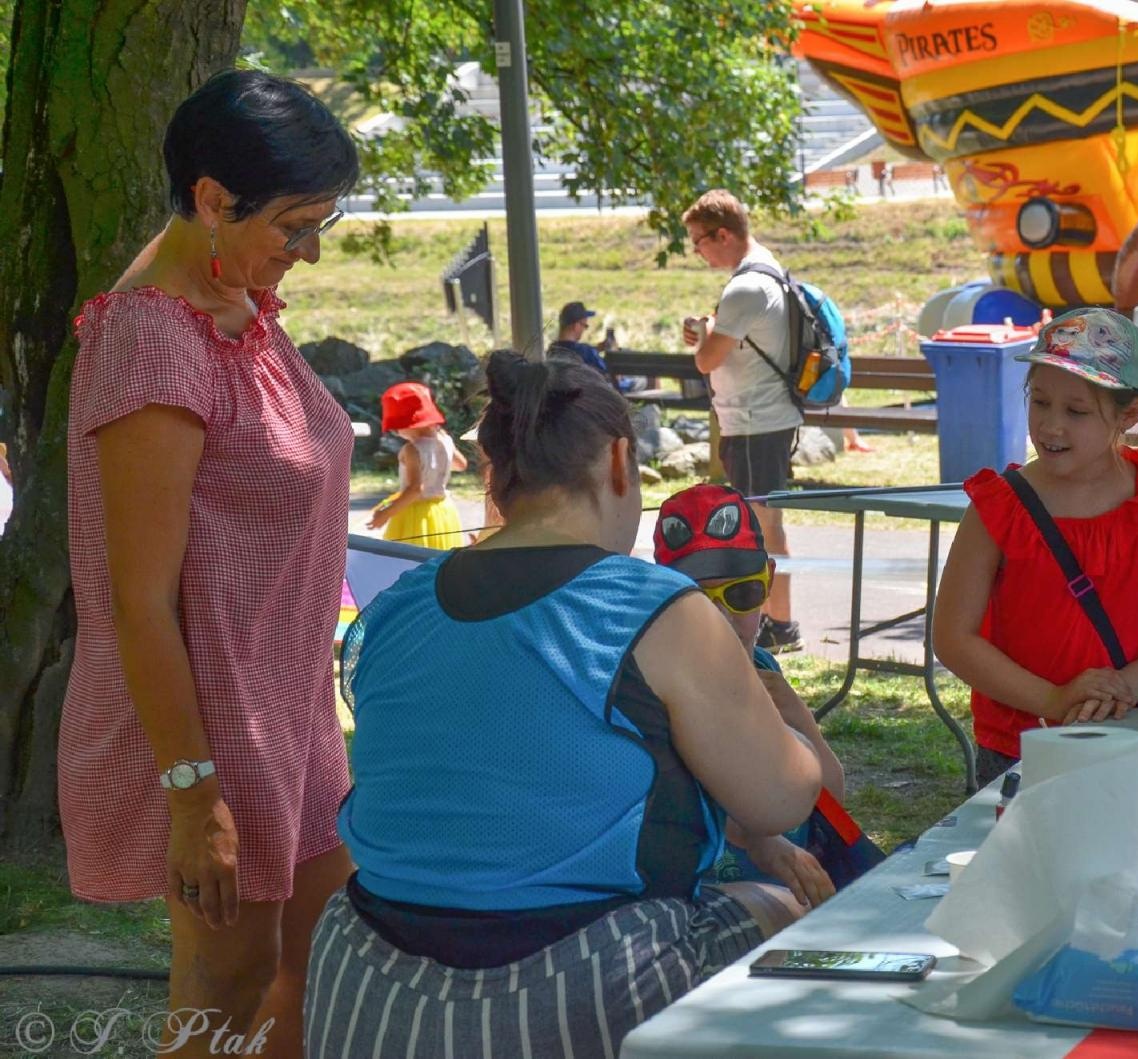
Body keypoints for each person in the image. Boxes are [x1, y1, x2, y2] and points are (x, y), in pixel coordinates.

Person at [303, 353, 822, 1056]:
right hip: (576, 988)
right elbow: (783, 799)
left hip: (364, 987)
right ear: (618, 461)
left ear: (497, 475)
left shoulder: (395, 608)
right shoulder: (654, 606)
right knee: (782, 905)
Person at [62, 70, 358, 1056]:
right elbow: (137, 605)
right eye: (294, 225)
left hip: (294, 711)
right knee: (224, 991)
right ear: (210, 199)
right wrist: (196, 801)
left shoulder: (239, 301)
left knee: (318, 963)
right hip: (212, 729)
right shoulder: (153, 340)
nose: (311, 251)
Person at [933, 309, 1138, 786]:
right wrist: (1053, 699)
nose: (1051, 426)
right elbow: (953, 638)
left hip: (1133, 729)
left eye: (1076, 411)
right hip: (1021, 741)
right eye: (1039, 402)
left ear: (1130, 413)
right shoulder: (997, 507)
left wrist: (1125, 687)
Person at [653, 483, 849, 908]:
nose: (722, 616)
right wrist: (759, 838)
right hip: (703, 901)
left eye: (741, 594)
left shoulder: (764, 668)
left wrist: (797, 715)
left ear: (768, 583)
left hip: (790, 892)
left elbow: (833, 795)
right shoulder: (659, 684)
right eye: (698, 601)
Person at [681, 189, 804, 653]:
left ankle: (781, 626)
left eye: (699, 241)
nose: (698, 251)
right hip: (760, 420)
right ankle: (777, 621)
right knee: (762, 525)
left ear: (724, 234)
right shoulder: (765, 268)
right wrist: (708, 332)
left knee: (762, 529)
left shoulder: (745, 287)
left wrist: (703, 338)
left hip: (755, 422)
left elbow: (707, 361)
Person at [366, 381, 469, 549]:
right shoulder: (445, 440)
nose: (397, 433)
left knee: (408, 559)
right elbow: (461, 465)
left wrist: (386, 514)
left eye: (396, 428)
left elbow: (415, 489)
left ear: (407, 425)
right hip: (441, 510)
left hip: (415, 515)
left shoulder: (412, 450)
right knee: (438, 558)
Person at [548, 299, 610, 376]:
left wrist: (597, 349)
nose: (584, 330)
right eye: (585, 325)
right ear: (576, 326)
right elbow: (606, 372)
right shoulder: (585, 351)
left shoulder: (552, 350)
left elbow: (569, 349)